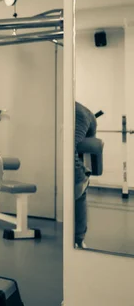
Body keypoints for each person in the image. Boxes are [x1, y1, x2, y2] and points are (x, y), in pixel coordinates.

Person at [74, 101, 97, 249]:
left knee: (77, 181)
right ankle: (79, 239)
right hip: (86, 114)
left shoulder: (78, 112)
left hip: (82, 115)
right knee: (78, 184)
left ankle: (79, 239)